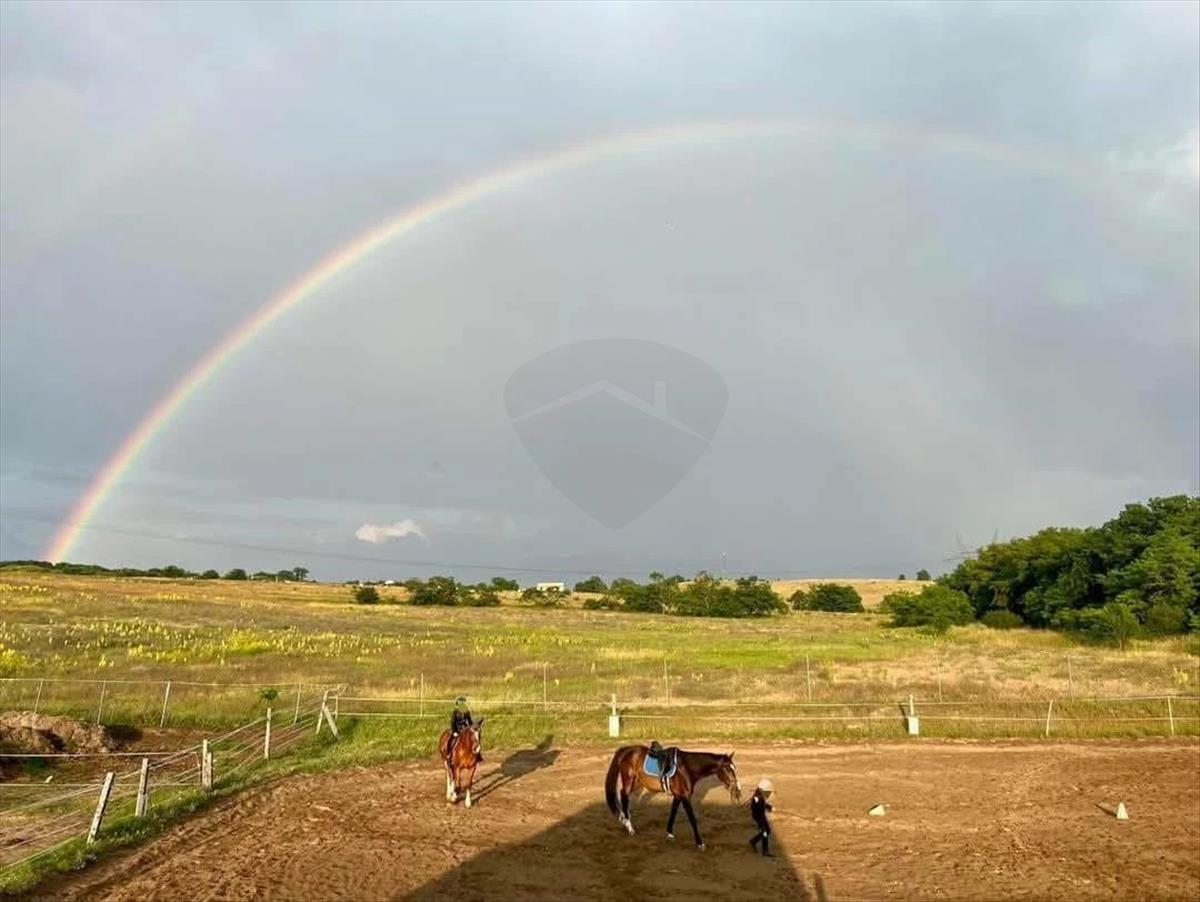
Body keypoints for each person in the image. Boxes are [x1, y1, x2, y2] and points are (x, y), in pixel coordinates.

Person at [447, 695, 481, 762]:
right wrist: (454, 731)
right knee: (451, 740)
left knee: (474, 738)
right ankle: (449, 753)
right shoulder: (455, 712)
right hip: (457, 729)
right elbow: (452, 723)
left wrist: (473, 727)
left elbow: (469, 721)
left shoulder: (467, 712)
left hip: (465, 730)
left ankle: (478, 755)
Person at [749, 778, 774, 856]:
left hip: (762, 817)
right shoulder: (756, 798)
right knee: (765, 832)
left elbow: (763, 804)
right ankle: (765, 851)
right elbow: (757, 807)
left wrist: (769, 807)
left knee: (767, 831)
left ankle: (753, 841)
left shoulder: (759, 796)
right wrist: (764, 807)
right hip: (759, 817)